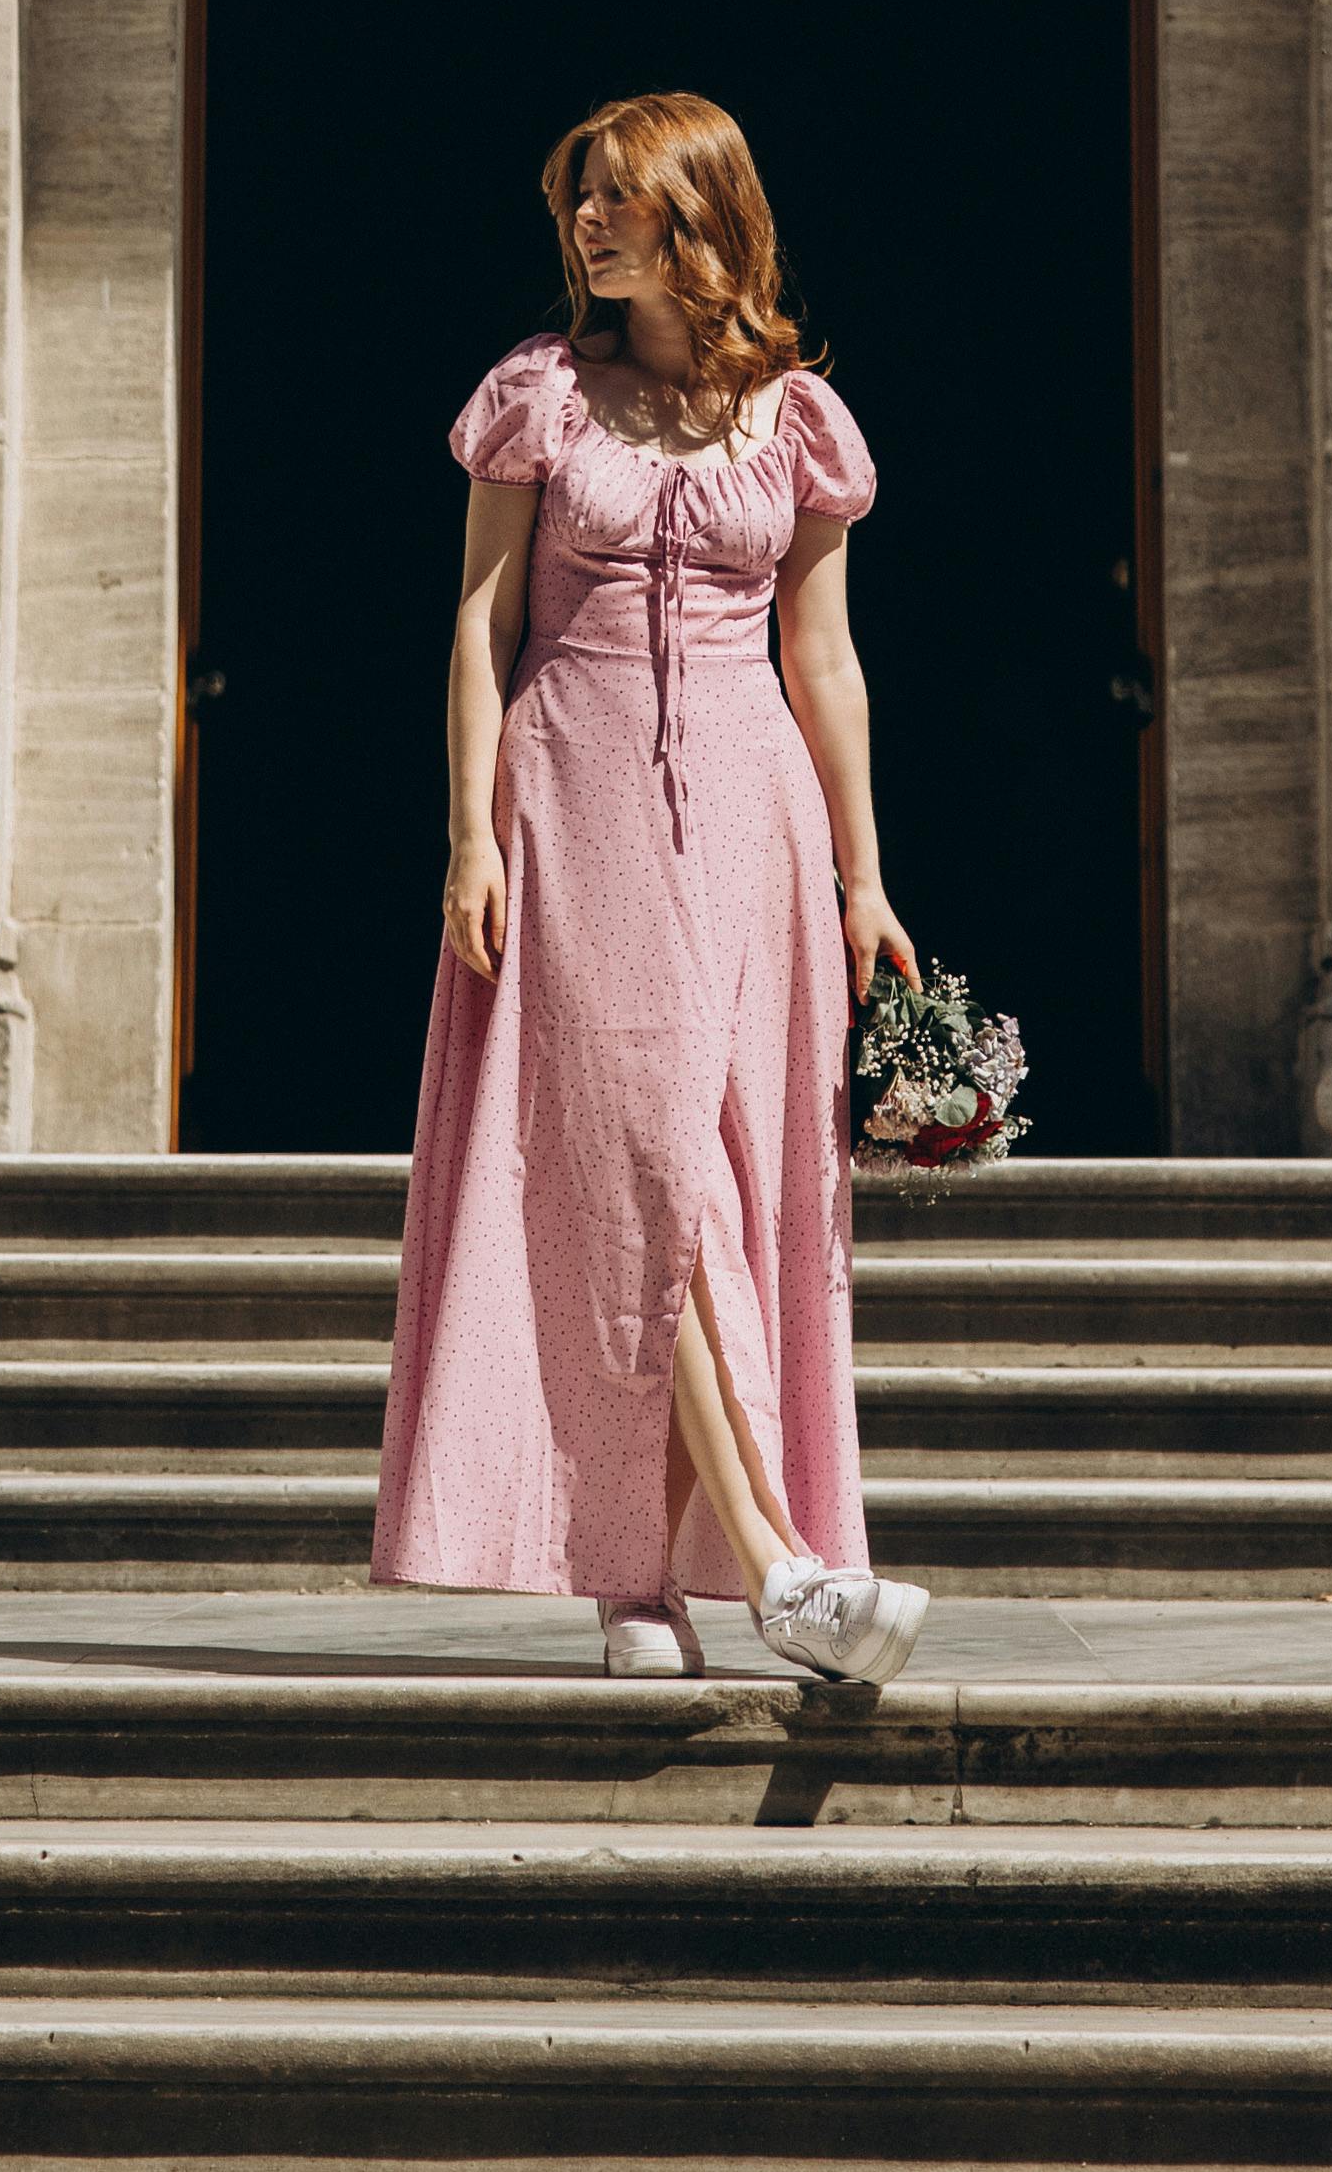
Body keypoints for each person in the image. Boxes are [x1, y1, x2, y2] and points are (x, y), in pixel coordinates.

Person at [371, 88, 932, 1687]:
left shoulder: (799, 417)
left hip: (753, 822)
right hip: (575, 792)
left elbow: (822, 659)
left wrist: (864, 870)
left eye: (616, 198)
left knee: (735, 1185)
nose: (586, 225)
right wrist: (469, 837)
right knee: (640, 1173)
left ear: (702, 212)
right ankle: (776, 1573)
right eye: (576, 202)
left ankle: (649, 1583)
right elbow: (480, 631)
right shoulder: (541, 397)